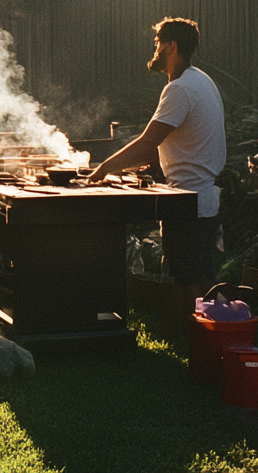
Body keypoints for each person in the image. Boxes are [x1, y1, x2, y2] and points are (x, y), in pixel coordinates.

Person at [88, 17, 226, 308]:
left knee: (183, 279)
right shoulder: (202, 80)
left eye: (158, 45)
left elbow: (148, 142)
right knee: (203, 275)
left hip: (187, 200)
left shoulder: (179, 89)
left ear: (171, 46)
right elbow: (173, 142)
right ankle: (219, 333)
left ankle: (188, 342)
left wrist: (103, 169)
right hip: (205, 199)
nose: (155, 51)